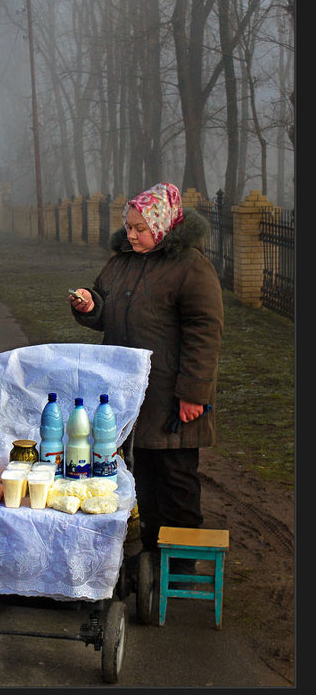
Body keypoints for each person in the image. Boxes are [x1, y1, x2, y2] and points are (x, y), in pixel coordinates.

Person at [69, 183, 223, 574]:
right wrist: (90, 303)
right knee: (142, 475)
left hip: (171, 395)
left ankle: (182, 562)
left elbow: (205, 333)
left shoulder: (190, 266)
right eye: (129, 227)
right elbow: (104, 305)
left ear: (162, 224)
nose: (131, 234)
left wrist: (193, 394)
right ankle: (153, 555)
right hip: (128, 391)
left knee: (175, 476)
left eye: (140, 228)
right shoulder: (122, 261)